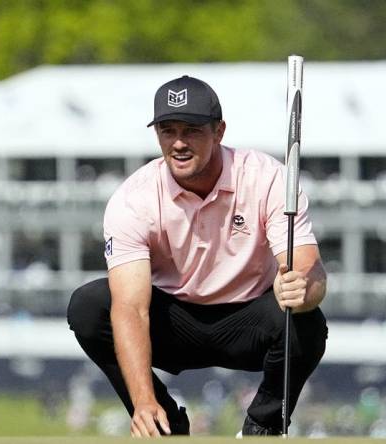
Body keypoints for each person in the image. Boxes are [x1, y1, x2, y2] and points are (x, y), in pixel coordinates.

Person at [67, 75, 328, 437]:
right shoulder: (134, 199)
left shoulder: (267, 178)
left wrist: (302, 290)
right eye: (167, 130)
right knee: (88, 305)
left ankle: (263, 425)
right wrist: (142, 399)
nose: (178, 143)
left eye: (191, 130)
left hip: (249, 316)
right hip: (173, 321)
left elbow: (308, 269)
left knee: (306, 322)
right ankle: (163, 421)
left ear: (218, 131)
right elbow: (130, 307)